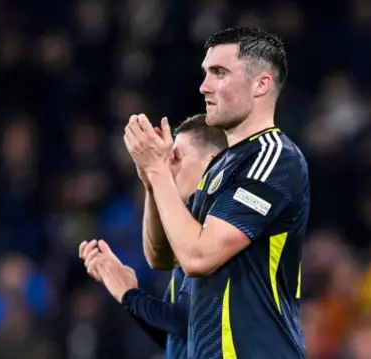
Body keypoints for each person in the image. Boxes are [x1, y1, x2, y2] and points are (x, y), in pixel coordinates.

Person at [120, 27, 310, 358]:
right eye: (206, 73)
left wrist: (157, 171)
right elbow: (164, 256)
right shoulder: (221, 167)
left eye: (219, 73)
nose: (204, 86)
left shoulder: (273, 156)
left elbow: (198, 257)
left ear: (261, 84)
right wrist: (154, 179)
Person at [79, 114, 227, 359]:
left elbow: (189, 325)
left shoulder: (226, 231)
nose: (168, 167)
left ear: (213, 165)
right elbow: (176, 332)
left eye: (176, 157)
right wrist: (150, 181)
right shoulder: (193, 228)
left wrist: (129, 293)